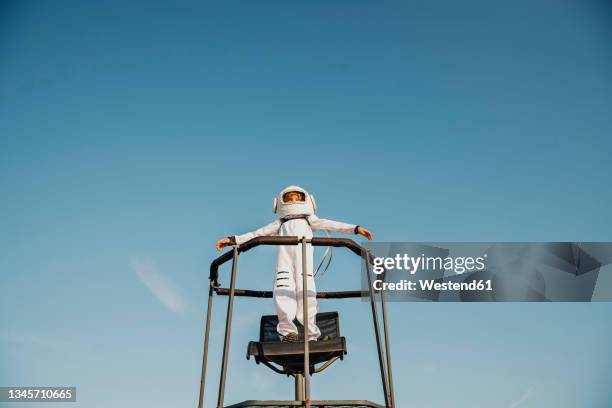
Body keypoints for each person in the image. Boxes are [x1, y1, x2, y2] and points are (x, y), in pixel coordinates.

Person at [216, 186, 373, 342]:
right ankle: (287, 332)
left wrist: (355, 229)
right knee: (283, 289)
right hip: (284, 261)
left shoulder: (309, 220)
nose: (292, 201)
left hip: (303, 260)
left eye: (296, 198)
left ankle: (312, 335)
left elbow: (331, 224)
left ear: (307, 200)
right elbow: (257, 234)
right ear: (280, 203)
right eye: (289, 198)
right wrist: (233, 240)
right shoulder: (279, 223)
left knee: (307, 291)